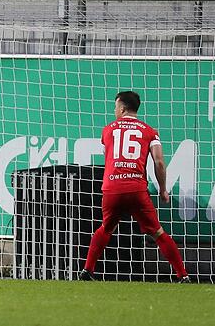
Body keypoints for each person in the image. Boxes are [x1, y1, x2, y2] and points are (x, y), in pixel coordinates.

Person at [79, 91, 189, 283]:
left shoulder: (108, 130)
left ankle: (87, 270)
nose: (114, 111)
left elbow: (108, 156)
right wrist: (163, 189)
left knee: (106, 228)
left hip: (112, 188)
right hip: (136, 189)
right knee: (157, 232)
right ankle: (183, 275)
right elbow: (159, 162)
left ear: (122, 108)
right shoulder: (149, 131)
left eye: (115, 107)